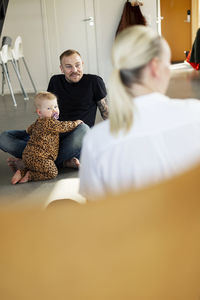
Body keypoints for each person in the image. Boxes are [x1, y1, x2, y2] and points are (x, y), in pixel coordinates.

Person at [79, 25, 200, 200]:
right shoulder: (195, 112)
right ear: (155, 67)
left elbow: (95, 206)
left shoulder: (97, 140)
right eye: (169, 64)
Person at [0, 49, 108, 170]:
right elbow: (46, 109)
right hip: (52, 135)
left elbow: (106, 112)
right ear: (61, 68)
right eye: (68, 67)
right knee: (4, 138)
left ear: (82, 64)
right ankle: (60, 162)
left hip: (76, 136)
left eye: (77, 65)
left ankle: (31, 162)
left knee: (84, 130)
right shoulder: (55, 81)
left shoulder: (94, 81)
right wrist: (39, 135)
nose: (75, 70)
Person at [11, 92, 82, 184]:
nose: (54, 110)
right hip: (42, 158)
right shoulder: (50, 122)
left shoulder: (38, 121)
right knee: (52, 173)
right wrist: (76, 123)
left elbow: (29, 130)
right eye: (49, 108)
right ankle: (30, 176)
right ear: (39, 112)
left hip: (27, 155)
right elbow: (64, 126)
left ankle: (21, 172)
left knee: (35, 166)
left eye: (55, 107)